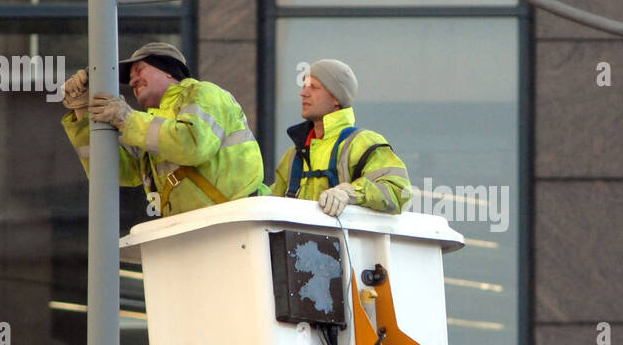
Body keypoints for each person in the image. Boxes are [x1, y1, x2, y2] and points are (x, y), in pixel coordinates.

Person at [60, 42, 264, 216]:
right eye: (131, 77)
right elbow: (112, 171)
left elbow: (193, 145)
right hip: (195, 230)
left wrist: (127, 119)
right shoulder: (148, 126)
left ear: (168, 70)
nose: (132, 81)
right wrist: (82, 109)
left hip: (239, 221)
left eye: (139, 70)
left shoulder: (203, 93)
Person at [271, 60, 411, 216]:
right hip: (300, 241)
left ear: (336, 98)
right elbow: (268, 204)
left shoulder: (363, 143)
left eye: (314, 87)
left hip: (347, 240)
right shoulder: (293, 156)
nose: (303, 93)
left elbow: (399, 191)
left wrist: (349, 192)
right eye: (304, 87)